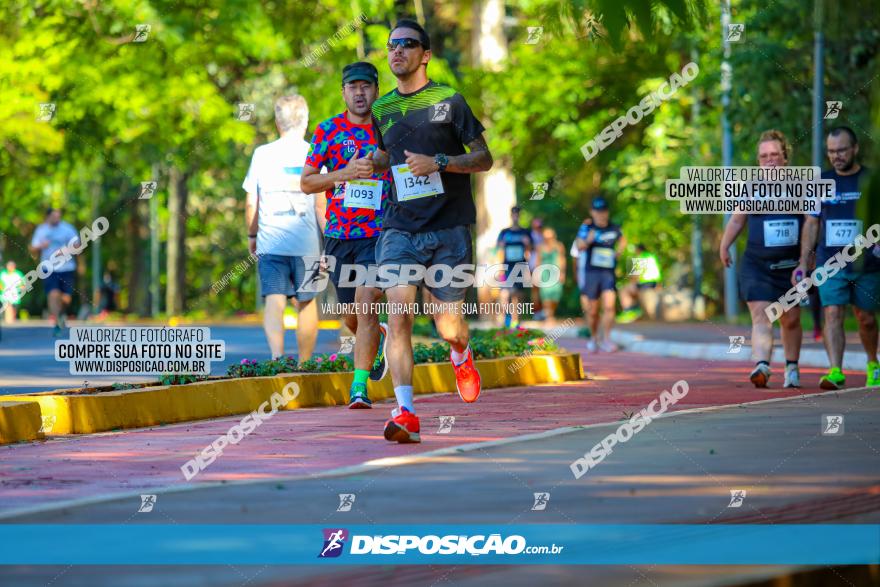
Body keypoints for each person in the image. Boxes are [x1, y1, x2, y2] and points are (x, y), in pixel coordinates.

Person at [365, 18, 494, 443]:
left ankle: (461, 352)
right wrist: (377, 161)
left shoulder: (450, 101)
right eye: (390, 45)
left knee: (447, 327)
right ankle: (406, 413)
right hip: (399, 226)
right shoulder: (381, 108)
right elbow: (390, 154)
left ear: (426, 54)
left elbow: (483, 159)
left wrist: (439, 161)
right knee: (398, 315)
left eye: (406, 44)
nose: (396, 51)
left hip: (448, 227)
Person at [301, 61, 391, 409]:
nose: (359, 92)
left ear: (375, 90)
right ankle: (377, 339)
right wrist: (343, 173)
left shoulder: (388, 129)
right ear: (343, 92)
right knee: (349, 313)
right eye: (352, 87)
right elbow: (307, 182)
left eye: (365, 86)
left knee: (366, 304)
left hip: (379, 233)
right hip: (339, 235)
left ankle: (359, 387)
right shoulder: (327, 130)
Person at [793, 127, 879, 389]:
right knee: (832, 313)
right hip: (830, 262)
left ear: (854, 149)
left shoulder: (872, 180)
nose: (836, 156)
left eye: (841, 150)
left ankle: (873, 363)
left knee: (866, 318)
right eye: (831, 151)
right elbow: (811, 223)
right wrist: (804, 260)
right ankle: (835, 371)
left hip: (867, 263)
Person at [720, 130, 803, 388]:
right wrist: (724, 246)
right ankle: (762, 366)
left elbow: (813, 224)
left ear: (785, 158)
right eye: (764, 156)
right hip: (757, 264)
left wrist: (806, 259)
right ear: (758, 161)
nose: (769, 160)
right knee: (761, 314)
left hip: (790, 266)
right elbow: (737, 219)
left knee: (790, 319)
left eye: (774, 155)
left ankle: (791, 367)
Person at [243, 94, 321, 360]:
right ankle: (305, 363)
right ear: (306, 122)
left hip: (271, 241)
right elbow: (321, 203)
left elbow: (252, 202)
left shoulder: (262, 155)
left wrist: (252, 235)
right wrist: (327, 245)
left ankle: (277, 358)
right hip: (308, 242)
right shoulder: (314, 153)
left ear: (278, 122)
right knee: (307, 301)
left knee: (275, 298)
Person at [577, 196, 626, 353]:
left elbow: (623, 239)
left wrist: (619, 251)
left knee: (610, 306)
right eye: (597, 211)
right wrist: (588, 241)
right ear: (592, 212)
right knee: (592, 311)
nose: (601, 214)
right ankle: (593, 337)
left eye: (603, 211)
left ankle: (606, 338)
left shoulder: (614, 228)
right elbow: (579, 246)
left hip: (608, 273)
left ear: (607, 212)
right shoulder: (587, 228)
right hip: (592, 273)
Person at [29, 208, 79, 337]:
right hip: (48, 268)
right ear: (48, 217)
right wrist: (41, 246)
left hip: (67, 267)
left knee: (66, 299)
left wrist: (67, 250)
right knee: (53, 294)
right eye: (54, 216)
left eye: (59, 216)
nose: (57, 219)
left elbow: (78, 246)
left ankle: (61, 314)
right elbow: (32, 248)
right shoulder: (41, 230)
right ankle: (57, 322)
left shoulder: (68, 229)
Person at [496, 206, 532, 329]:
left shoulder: (525, 232)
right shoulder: (504, 232)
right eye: (513, 214)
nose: (515, 216)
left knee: (518, 295)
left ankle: (517, 321)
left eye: (517, 214)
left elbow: (531, 250)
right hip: (507, 267)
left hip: (520, 266)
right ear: (511, 215)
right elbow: (498, 249)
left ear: (520, 215)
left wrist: (528, 244)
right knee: (505, 294)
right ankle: (506, 319)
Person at [618, 244, 662, 323]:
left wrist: (632, 282)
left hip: (645, 283)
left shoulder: (641, 257)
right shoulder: (652, 257)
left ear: (638, 250)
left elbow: (636, 274)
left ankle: (630, 311)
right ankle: (635, 309)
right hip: (654, 283)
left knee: (624, 290)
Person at [535, 227, 566, 323]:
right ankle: (549, 316)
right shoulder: (540, 247)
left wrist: (562, 273)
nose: (548, 239)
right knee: (545, 294)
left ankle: (551, 311)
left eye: (550, 237)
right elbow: (538, 261)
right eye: (546, 238)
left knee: (556, 294)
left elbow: (562, 259)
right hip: (545, 274)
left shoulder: (559, 246)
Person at [530, 218, 545, 319]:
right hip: (533, 264)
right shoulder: (530, 236)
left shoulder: (543, 236)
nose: (538, 228)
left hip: (543, 264)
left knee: (542, 289)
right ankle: (536, 311)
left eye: (539, 226)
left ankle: (543, 310)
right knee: (535, 289)